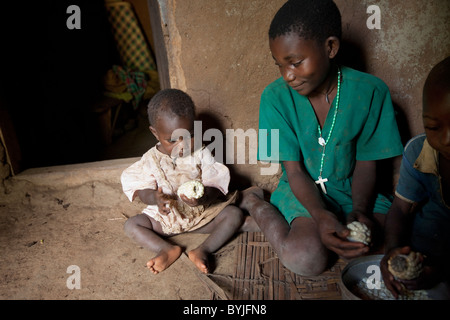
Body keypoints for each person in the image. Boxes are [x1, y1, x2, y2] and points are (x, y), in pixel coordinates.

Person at [240, 0, 403, 276]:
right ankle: (256, 204)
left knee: (383, 252)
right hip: (301, 187)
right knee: (305, 258)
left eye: (295, 62)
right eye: (279, 65)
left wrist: (360, 210)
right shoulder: (273, 97)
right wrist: (319, 214)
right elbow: (292, 170)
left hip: (354, 189)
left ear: (330, 48)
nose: (287, 75)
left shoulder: (371, 91)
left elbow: (367, 164)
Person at [121, 88, 244, 274]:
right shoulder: (150, 160)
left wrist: (203, 198)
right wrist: (154, 199)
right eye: (172, 140)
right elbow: (143, 189)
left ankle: (203, 250)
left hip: (200, 217)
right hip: (165, 221)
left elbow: (214, 184)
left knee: (234, 214)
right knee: (132, 225)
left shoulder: (201, 153)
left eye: (189, 136)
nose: (183, 146)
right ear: (155, 133)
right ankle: (166, 249)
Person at [380, 56, 450, 298]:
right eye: (433, 127)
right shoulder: (419, 152)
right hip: (424, 248)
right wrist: (392, 252)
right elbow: (400, 209)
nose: (447, 139)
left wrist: (441, 270)